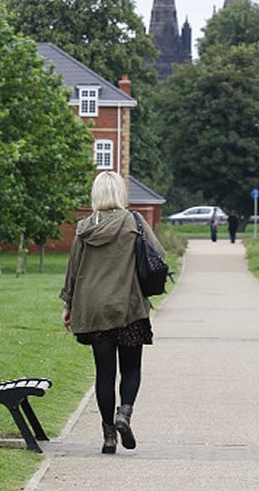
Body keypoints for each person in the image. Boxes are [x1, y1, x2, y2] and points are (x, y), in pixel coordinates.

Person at [60, 171, 163, 454]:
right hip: (128, 308)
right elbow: (158, 255)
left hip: (94, 311)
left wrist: (68, 305)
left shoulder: (83, 228)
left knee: (104, 373)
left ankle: (108, 436)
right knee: (131, 368)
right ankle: (124, 414)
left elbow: (73, 270)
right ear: (119, 194)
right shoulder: (134, 222)